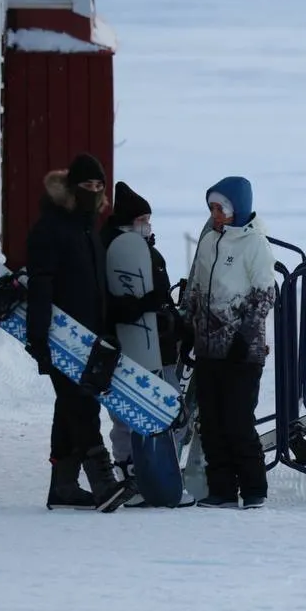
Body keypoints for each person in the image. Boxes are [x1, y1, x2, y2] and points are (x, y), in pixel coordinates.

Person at [26, 152, 134, 512]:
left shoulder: (90, 229)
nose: (93, 190)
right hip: (59, 336)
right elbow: (41, 285)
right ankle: (103, 481)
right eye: (86, 185)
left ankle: (64, 486)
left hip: (90, 337)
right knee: (80, 404)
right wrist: (38, 337)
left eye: (99, 185)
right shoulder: (50, 228)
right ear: (72, 188)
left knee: (70, 406)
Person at [180, 175, 277, 509]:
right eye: (211, 208)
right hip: (209, 348)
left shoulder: (255, 244)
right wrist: (188, 328)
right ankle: (220, 489)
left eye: (220, 207)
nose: (215, 213)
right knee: (211, 421)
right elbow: (197, 290)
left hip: (241, 351)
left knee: (238, 420)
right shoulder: (209, 242)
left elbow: (266, 295)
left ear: (238, 207)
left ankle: (253, 489)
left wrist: (244, 335)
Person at [100, 180, 192, 507]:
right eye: (143, 220)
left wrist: (178, 324)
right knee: (127, 415)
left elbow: (161, 300)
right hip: (126, 348)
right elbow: (114, 305)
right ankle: (132, 475)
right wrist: (147, 306)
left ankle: (158, 475)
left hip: (161, 347)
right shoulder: (112, 254)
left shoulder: (148, 253)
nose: (148, 226)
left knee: (170, 411)